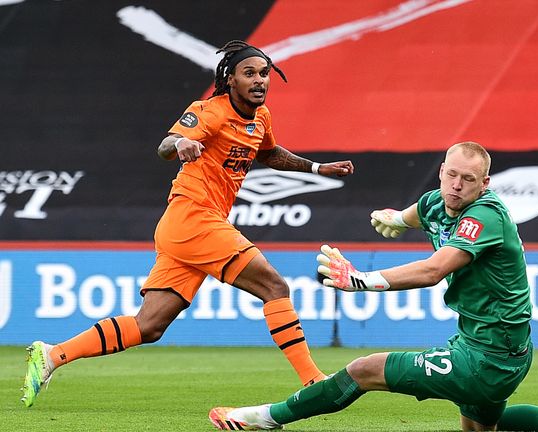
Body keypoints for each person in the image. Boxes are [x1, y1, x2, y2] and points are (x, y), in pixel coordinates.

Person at [207, 142, 538, 431]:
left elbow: (434, 270)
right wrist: (394, 219)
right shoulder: (438, 202)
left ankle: (264, 419)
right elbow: (416, 213)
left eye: (468, 180)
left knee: (365, 369)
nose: (457, 187)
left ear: (486, 184)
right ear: (441, 171)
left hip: (488, 355)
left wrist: (361, 280)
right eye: (451, 175)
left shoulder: (487, 216)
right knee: (484, 426)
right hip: (497, 350)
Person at [21, 40, 354, 408]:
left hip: (188, 228)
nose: (259, 80)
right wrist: (180, 145)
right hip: (193, 217)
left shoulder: (261, 118)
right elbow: (168, 144)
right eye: (249, 74)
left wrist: (316, 168)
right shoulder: (209, 112)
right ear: (229, 80)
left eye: (264, 74)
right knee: (274, 286)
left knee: (149, 326)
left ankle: (52, 355)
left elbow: (269, 153)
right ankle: (311, 380)